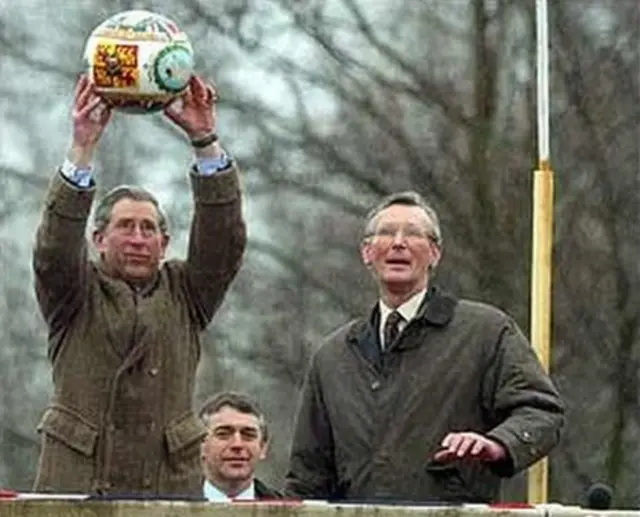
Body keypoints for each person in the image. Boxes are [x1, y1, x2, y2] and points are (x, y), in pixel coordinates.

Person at [31, 74, 247, 496]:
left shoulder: (186, 291)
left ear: (165, 243)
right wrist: (82, 148)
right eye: (125, 227)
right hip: (78, 485)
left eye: (149, 229)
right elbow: (53, 249)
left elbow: (224, 242)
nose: (137, 238)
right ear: (98, 239)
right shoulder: (74, 293)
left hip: (165, 486)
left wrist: (204, 140)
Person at [285, 191, 565, 503]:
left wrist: (498, 444)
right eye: (386, 233)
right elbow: (307, 475)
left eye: (414, 234)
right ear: (367, 252)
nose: (398, 243)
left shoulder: (485, 332)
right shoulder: (333, 357)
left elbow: (541, 411)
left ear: (435, 253)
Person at [199, 391, 281, 500]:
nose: (237, 444)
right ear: (201, 446)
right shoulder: (170, 507)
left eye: (248, 435)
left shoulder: (289, 512)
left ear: (263, 447)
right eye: (223, 434)